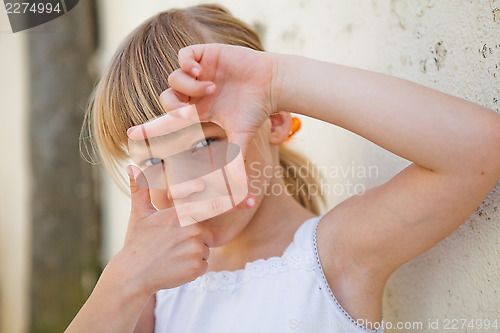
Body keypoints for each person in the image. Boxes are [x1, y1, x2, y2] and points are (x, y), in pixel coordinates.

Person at [67, 4, 500, 333]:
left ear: (272, 119)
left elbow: (479, 149)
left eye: (203, 142)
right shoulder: (154, 293)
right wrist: (124, 278)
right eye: (154, 160)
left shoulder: (333, 257)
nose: (181, 187)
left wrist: (278, 82)